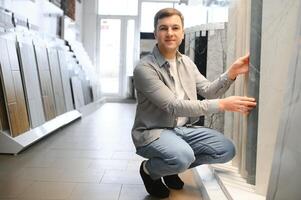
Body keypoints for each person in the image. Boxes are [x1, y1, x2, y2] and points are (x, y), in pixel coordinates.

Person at [132, 8, 256, 199]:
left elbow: (208, 90)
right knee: (183, 157)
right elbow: (174, 106)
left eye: (175, 27)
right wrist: (222, 104)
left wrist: (232, 72)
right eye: (163, 28)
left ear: (182, 33)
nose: (170, 33)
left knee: (226, 150)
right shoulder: (145, 68)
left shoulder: (187, 63)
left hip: (182, 130)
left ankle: (170, 167)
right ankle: (150, 170)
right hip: (153, 132)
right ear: (155, 33)